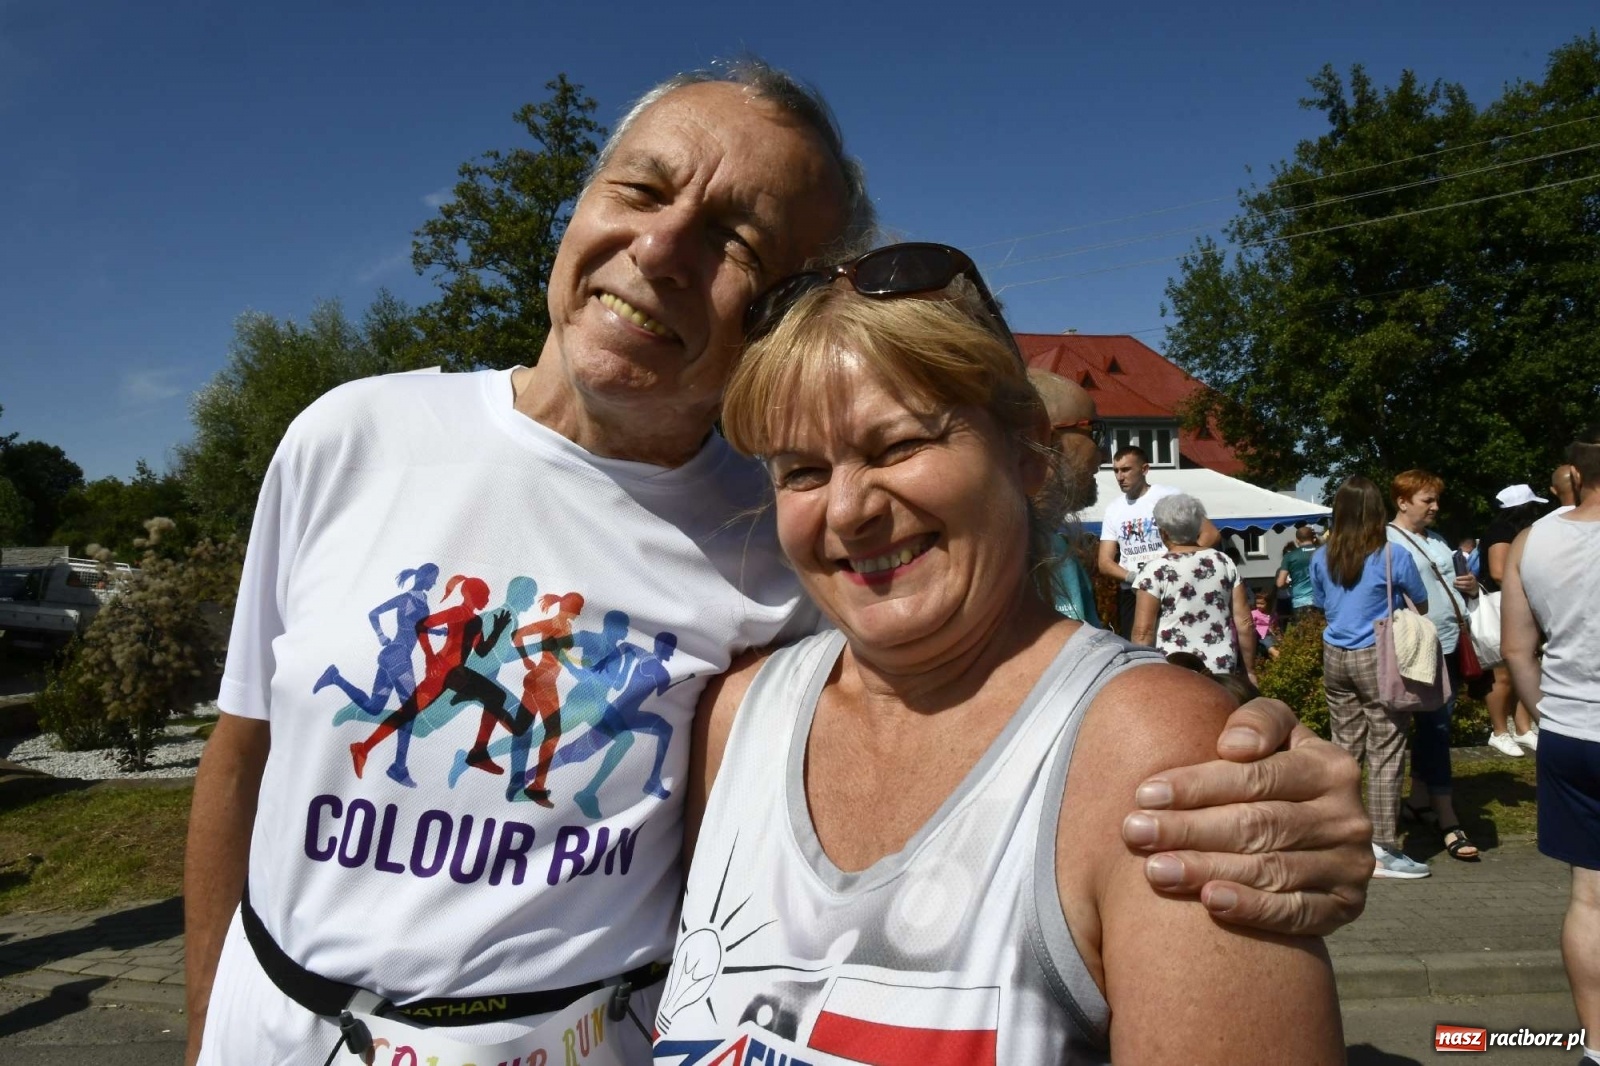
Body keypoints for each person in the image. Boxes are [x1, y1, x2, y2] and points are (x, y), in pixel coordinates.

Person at [183, 63, 1373, 1066]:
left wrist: (1278, 781)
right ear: (583, 198)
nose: (655, 248)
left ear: (777, 310)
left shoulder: (773, 540)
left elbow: (1005, 714)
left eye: (731, 238)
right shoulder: (349, 435)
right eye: (639, 188)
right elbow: (238, 763)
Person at [658, 251, 1345, 1063]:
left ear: (1025, 450)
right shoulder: (734, 721)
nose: (847, 511)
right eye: (802, 470)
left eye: (898, 445)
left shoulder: (1148, 750)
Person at [1502, 425, 1600, 1064]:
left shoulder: (1531, 540)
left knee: (1590, 895)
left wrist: (1551, 715)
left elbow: (1516, 648)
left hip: (1571, 735)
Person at [1312, 476, 1433, 879]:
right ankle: (1381, 846)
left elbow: (1320, 603)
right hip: (1376, 655)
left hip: (1335, 655)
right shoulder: (1390, 555)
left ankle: (1341, 839)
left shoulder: (1320, 556)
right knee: (1387, 748)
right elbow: (1423, 601)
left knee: (1344, 749)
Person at [1385, 470, 1480, 861]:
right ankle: (1447, 817)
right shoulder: (1387, 542)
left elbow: (1452, 580)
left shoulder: (1437, 540)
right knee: (1435, 729)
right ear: (1403, 501)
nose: (1436, 507)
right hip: (1418, 649)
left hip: (1451, 643)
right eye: (1428, 501)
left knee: (1434, 728)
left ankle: (1419, 800)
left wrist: (1471, 586)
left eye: (1436, 500)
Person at [1098, 446, 1219, 638]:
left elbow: (1210, 534)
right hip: (1134, 591)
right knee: (1140, 650)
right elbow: (1104, 562)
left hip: (1172, 586)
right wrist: (1134, 577)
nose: (1120, 477)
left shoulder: (1168, 496)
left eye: (1126, 469)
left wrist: (1184, 565)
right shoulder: (1113, 509)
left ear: (1144, 469)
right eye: (1116, 471)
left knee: (1178, 646)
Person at [1130, 494, 1256, 680]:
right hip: (1221, 666)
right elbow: (1245, 623)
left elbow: (1143, 632)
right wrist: (1250, 671)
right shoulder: (1223, 561)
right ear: (1197, 527)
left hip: (1173, 667)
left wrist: (1141, 677)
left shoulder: (1154, 570)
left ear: (1163, 532)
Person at [1028, 369, 1104, 626]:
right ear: (1046, 438)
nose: (1102, 453)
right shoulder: (1005, 554)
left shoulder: (1052, 547)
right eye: (1093, 431)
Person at [1480, 483, 1548, 756]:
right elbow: (1498, 572)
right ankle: (1499, 731)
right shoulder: (1501, 531)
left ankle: (1523, 728)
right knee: (1503, 674)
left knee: (1525, 669)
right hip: (1502, 606)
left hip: (1517, 607)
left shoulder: (1518, 532)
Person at [1277, 524, 1320, 621]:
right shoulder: (1322, 553)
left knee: (1304, 633)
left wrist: (1289, 583)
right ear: (1313, 538)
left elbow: (1280, 583)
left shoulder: (1290, 556)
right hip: (1321, 600)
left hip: (1300, 602)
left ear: (1297, 540)